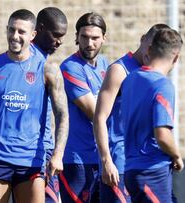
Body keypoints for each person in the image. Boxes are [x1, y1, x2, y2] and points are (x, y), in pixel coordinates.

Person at [0, 9, 69, 203]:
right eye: (11, 30)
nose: (15, 36)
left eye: (21, 32)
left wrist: (58, 154)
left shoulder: (48, 70)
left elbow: (62, 115)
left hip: (31, 162)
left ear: (33, 34)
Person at [93, 23, 171, 203]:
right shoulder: (119, 70)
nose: (151, 52)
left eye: (157, 50)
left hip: (147, 166)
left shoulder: (155, 74)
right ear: (143, 39)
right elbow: (100, 117)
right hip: (118, 165)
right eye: (150, 46)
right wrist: (106, 160)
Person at [121, 28, 183, 203]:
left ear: (149, 50)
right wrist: (176, 155)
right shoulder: (163, 85)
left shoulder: (131, 78)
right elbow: (162, 134)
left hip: (132, 170)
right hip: (152, 171)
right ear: (176, 57)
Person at [58, 12, 108, 203]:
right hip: (76, 160)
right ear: (76, 37)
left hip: (101, 157)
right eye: (84, 37)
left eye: (95, 38)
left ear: (104, 38)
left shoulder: (104, 64)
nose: (90, 43)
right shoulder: (70, 67)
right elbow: (96, 113)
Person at [32, 7, 68, 203]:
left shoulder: (48, 65)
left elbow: (62, 113)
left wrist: (57, 153)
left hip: (45, 151)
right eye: (56, 35)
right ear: (41, 28)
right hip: (27, 155)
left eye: (63, 36)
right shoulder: (26, 60)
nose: (60, 41)